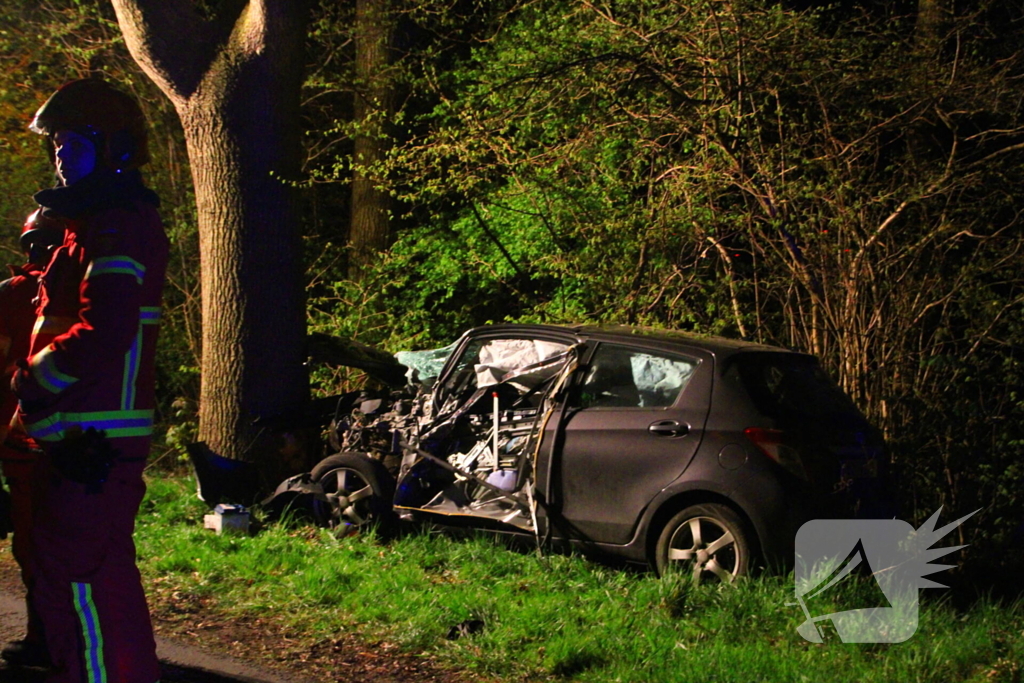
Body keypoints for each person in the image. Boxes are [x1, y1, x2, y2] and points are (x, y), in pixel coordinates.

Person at [11, 78, 168, 683]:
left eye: (72, 144)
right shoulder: (91, 224)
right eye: (55, 146)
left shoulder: (117, 224)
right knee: (71, 587)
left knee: (89, 595)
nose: (59, 157)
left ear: (115, 150)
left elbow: (109, 326)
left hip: (93, 444)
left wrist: (34, 383)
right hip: (77, 441)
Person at [0, 209, 66, 668]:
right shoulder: (86, 288)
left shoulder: (14, 295)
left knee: (35, 543)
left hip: (27, 443)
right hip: (74, 443)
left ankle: (47, 640)